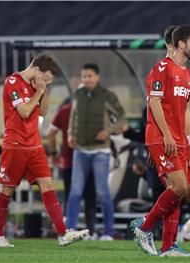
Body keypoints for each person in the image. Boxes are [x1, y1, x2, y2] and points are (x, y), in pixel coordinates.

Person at [0, 53, 88, 248]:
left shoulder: (38, 84)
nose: (45, 80)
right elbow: (25, 112)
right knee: (7, 190)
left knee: (48, 186)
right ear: (36, 69)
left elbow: (42, 112)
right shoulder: (13, 82)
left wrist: (46, 90)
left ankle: (62, 234)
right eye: (45, 77)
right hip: (15, 146)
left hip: (34, 145)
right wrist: (39, 90)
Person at [131, 25, 190, 257]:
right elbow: (154, 103)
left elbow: (184, 112)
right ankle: (144, 227)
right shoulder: (163, 67)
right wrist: (166, 134)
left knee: (186, 191)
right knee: (180, 187)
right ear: (181, 44)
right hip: (162, 137)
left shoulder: (187, 74)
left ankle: (168, 247)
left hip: (181, 139)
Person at [66, 63, 127, 240]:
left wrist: (108, 131)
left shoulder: (107, 96)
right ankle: (70, 231)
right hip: (80, 150)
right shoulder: (78, 94)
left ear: (97, 77)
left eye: (90, 76)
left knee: (103, 192)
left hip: (101, 151)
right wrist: (70, 133)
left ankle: (108, 233)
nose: (86, 79)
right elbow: (73, 116)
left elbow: (122, 118)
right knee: (75, 192)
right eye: (84, 76)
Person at [47, 101, 97, 238]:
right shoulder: (93, 111)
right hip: (90, 160)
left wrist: (54, 153)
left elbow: (50, 133)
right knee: (90, 198)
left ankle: (68, 230)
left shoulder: (64, 111)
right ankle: (91, 233)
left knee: (71, 197)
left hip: (69, 162)